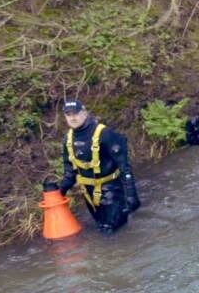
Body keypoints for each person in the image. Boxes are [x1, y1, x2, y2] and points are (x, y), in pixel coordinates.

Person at [56, 99, 140, 232]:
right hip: (88, 194)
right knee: (102, 228)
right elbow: (70, 172)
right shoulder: (68, 139)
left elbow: (124, 167)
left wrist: (131, 195)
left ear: (84, 112)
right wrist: (58, 193)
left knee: (113, 231)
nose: (72, 118)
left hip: (112, 191)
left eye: (75, 113)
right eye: (68, 114)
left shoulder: (105, 134)